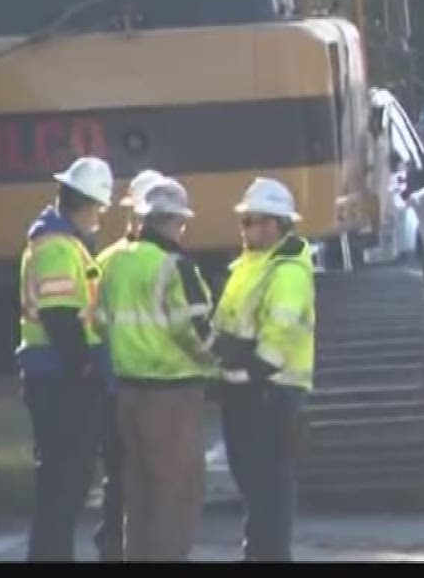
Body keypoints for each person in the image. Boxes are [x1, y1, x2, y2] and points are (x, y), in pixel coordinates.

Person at [98, 177, 217, 560]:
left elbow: (99, 321)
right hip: (172, 392)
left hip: (128, 391)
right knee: (176, 493)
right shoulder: (174, 265)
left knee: (140, 492)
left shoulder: (114, 261)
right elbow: (195, 330)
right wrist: (221, 365)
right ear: (175, 221)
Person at [17, 155, 115, 562]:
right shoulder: (58, 247)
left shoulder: (60, 242)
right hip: (61, 379)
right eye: (99, 208)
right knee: (63, 484)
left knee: (61, 483)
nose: (100, 217)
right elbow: (60, 318)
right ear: (87, 204)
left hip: (55, 376)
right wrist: (86, 367)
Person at [212, 177, 316, 562]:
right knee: (254, 485)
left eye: (250, 221)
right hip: (247, 386)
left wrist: (254, 372)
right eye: (244, 221)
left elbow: (281, 328)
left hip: (273, 389)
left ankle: (269, 556)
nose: (245, 229)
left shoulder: (287, 271)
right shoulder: (248, 266)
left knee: (270, 486)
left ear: (274, 224)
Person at [92, 168, 166, 561]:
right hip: (149, 386)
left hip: (112, 384)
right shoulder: (166, 263)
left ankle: (113, 546)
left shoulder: (103, 261)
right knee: (148, 474)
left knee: (118, 474)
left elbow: (93, 323)